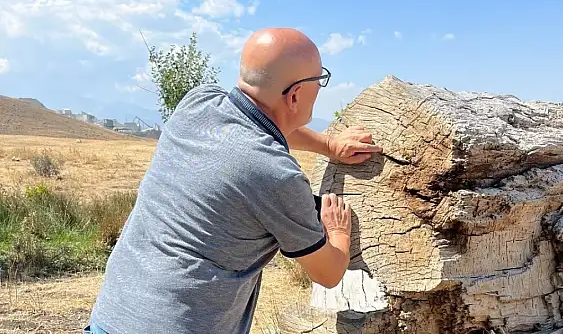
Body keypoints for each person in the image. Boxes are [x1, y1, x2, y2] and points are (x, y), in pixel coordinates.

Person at [86, 28, 383, 333]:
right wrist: (338, 230)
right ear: (295, 95)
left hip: (111, 315)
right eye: (319, 80)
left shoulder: (198, 103)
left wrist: (329, 145)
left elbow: (264, 122)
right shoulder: (277, 175)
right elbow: (329, 273)